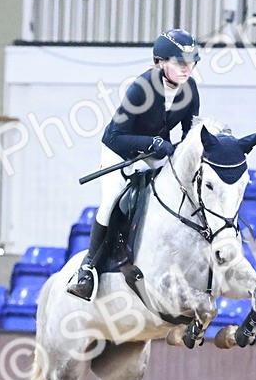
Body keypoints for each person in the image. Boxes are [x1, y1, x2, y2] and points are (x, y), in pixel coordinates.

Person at [66, 28, 201, 301]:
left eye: (191, 62)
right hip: (119, 151)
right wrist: (153, 143)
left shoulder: (191, 90)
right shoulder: (142, 88)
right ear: (160, 63)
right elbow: (115, 136)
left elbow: (189, 132)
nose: (187, 69)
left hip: (154, 150)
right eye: (179, 63)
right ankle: (88, 268)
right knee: (113, 198)